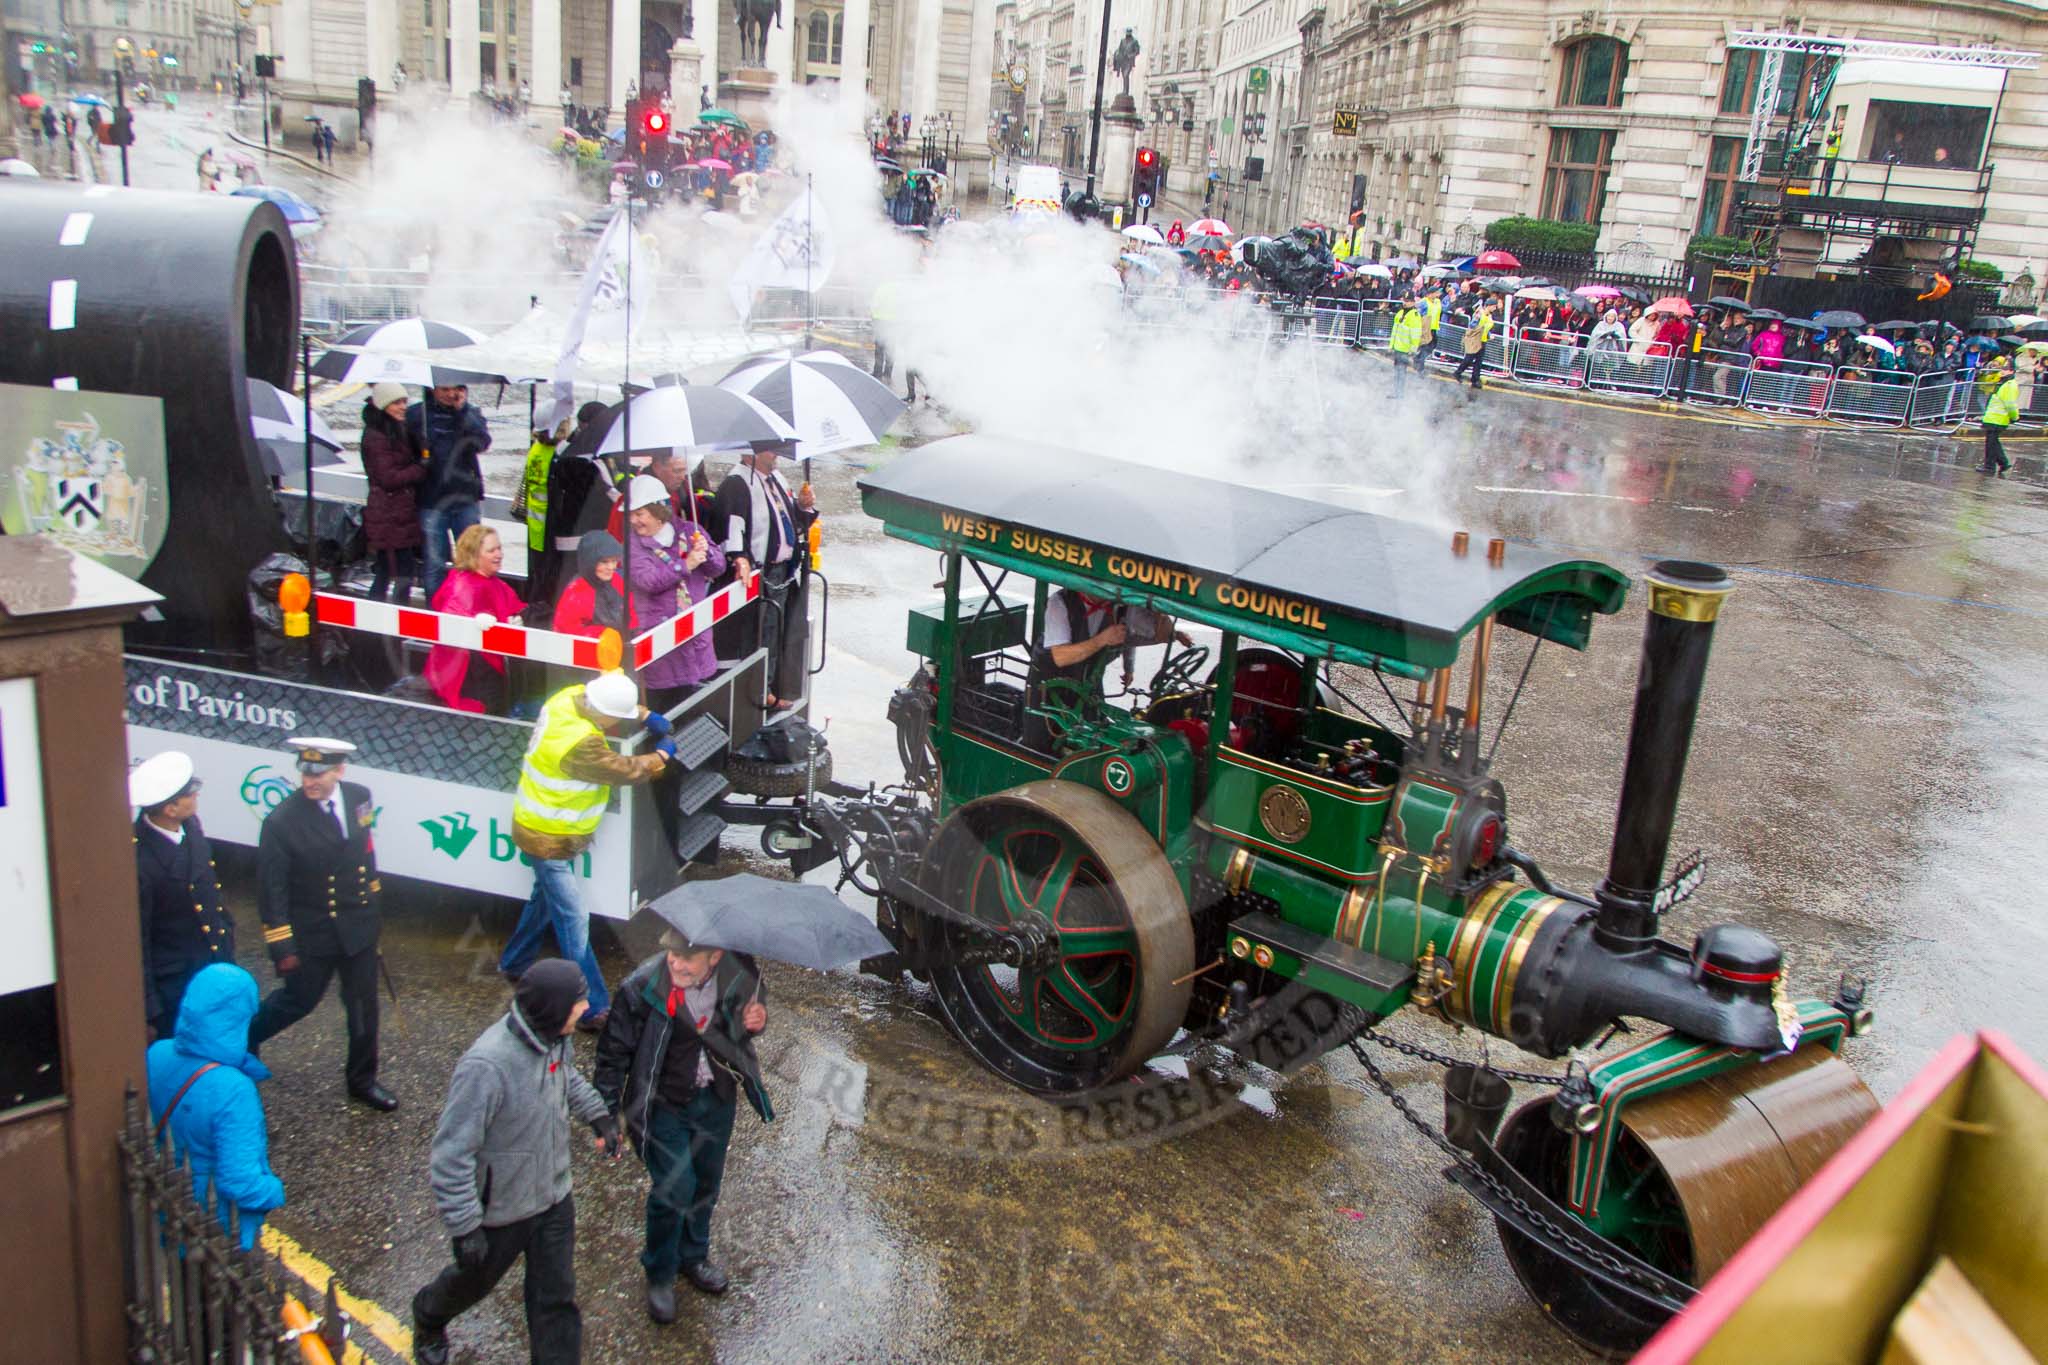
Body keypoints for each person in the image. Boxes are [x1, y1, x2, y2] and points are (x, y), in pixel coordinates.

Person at [412, 961, 621, 1365]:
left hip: (554, 1195)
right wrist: (464, 1225)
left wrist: (598, 1115)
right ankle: (428, 1314)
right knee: (473, 1283)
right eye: (578, 1001)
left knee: (555, 1299)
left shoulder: (557, 1037)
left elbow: (567, 1077)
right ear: (552, 1009)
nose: (585, 1006)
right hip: (502, 1209)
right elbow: (452, 1153)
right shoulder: (486, 1067)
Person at [595, 929, 772, 1318]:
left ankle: (693, 1256)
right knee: (676, 1186)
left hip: (716, 1098)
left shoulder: (739, 973)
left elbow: (745, 1023)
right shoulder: (640, 987)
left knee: (706, 1182)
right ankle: (659, 1272)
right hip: (663, 1105)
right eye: (671, 955)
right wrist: (607, 1116)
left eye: (686, 958)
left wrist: (756, 1020)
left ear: (715, 956)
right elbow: (612, 1056)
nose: (675, 963)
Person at [498, 672, 672, 1029]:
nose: (616, 724)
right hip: (550, 839)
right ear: (605, 715)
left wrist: (641, 714)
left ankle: (515, 962)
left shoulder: (569, 698)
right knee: (573, 919)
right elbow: (627, 770)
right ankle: (593, 1007)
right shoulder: (580, 745)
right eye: (617, 719)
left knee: (542, 901)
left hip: (541, 830)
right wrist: (661, 756)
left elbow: (606, 698)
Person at [247, 738, 397, 1112]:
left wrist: (373, 908)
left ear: (339, 771)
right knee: (298, 1002)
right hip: (313, 931)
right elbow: (273, 890)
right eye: (305, 773)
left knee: (364, 1007)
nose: (309, 781)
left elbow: (366, 852)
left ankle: (362, 1080)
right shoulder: (281, 822)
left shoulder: (360, 796)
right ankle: (243, 1037)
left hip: (358, 927)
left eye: (318, 774)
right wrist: (282, 946)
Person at [146, 964, 286, 1249]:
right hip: (217, 1232)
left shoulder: (157, 1054)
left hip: (170, 1215)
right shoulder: (233, 1089)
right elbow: (240, 1183)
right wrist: (274, 1191)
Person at [131, 751, 235, 1041]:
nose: (196, 795)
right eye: (189, 792)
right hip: (176, 982)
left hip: (213, 962)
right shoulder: (140, 861)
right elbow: (138, 938)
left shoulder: (191, 826)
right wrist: (149, 1008)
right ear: (170, 809)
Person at [711, 441, 816, 710]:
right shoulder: (737, 483)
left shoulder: (776, 479)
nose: (777, 454)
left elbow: (791, 523)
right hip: (761, 571)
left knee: (777, 631)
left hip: (782, 571)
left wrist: (803, 508)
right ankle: (759, 690)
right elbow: (732, 528)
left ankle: (772, 686)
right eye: (771, 449)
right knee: (759, 633)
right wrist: (740, 557)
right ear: (752, 453)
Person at [623, 474, 727, 712]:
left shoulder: (691, 531)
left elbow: (718, 568)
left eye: (639, 514)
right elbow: (648, 580)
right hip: (660, 646)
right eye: (630, 515)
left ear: (658, 511)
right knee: (664, 709)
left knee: (696, 708)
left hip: (695, 640)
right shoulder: (633, 546)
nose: (634, 521)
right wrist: (685, 565)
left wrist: (707, 552)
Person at [425, 525, 526, 714]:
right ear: (474, 556)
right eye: (491, 550)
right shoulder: (462, 583)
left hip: (489, 666)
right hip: (469, 675)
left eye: (499, 548)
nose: (499, 554)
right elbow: (451, 613)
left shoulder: (494, 583)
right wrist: (473, 620)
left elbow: (516, 607)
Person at [409, 383, 492, 597]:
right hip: (431, 502)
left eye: (455, 389)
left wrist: (462, 411)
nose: (450, 394)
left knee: (473, 560)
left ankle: (471, 608)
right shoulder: (418, 415)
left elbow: (482, 442)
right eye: (444, 389)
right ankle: (435, 615)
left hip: (465, 500)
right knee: (434, 564)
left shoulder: (471, 413)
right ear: (433, 389)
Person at [361, 381, 426, 604]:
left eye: (404, 401)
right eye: (397, 402)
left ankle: (380, 618)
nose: (403, 407)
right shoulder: (377, 437)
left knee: (389, 570)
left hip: (396, 513)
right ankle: (394, 617)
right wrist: (420, 468)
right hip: (389, 514)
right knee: (398, 570)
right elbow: (388, 478)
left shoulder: (394, 430)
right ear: (383, 405)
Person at [514, 419, 569, 611]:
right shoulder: (557, 454)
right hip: (549, 526)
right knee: (546, 577)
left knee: (536, 574)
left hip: (535, 525)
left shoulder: (536, 449)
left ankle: (533, 608)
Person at [553, 532, 635, 639]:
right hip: (592, 651)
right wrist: (602, 634)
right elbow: (565, 631)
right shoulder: (577, 591)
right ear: (590, 562)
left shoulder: (617, 580)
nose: (611, 567)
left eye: (614, 561)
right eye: (604, 562)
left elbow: (633, 611)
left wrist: (634, 632)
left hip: (622, 645)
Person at [1982, 363, 2018, 476]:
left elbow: (2010, 404)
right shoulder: (2003, 382)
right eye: (2003, 369)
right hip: (1993, 418)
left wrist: (2014, 417)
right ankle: (2003, 463)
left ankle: (1990, 466)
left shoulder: (2010, 385)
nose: (2003, 371)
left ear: (2012, 371)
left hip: (1998, 419)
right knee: (1993, 443)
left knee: (1991, 444)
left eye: (2006, 369)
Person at [1453, 297, 1494, 394]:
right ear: (1488, 306)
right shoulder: (1480, 313)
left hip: (1482, 340)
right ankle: (1458, 373)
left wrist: (1488, 335)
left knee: (1479, 362)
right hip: (1475, 340)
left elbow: (1486, 327)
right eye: (1493, 306)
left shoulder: (1489, 316)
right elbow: (1472, 325)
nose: (1495, 308)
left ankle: (1475, 380)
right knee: (1469, 358)